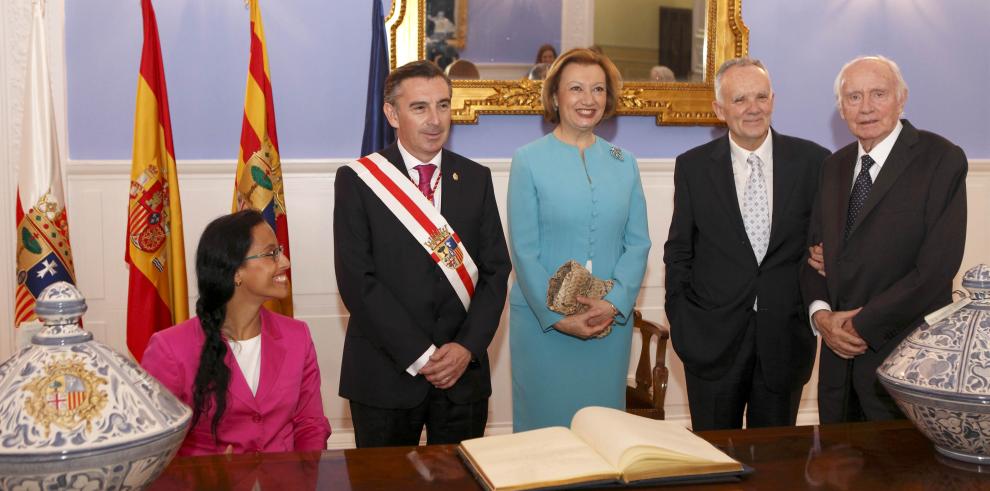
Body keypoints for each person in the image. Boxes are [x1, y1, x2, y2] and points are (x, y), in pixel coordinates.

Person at [334, 60, 511, 447]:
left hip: (462, 376)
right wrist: (420, 354)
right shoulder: (359, 181)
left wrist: (466, 347)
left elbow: (496, 272)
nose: (435, 120)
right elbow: (357, 282)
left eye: (443, 105)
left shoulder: (476, 179)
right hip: (386, 374)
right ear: (392, 114)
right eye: (420, 108)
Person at [663, 57, 830, 431]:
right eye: (739, 100)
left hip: (784, 340)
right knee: (714, 458)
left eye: (760, 97)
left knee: (776, 464)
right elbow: (679, 251)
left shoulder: (814, 162)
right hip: (711, 340)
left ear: (773, 99)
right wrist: (682, 318)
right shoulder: (693, 166)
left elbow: (823, 243)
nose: (753, 108)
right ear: (719, 109)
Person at [800, 55, 967, 423]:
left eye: (878, 93)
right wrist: (822, 316)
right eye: (854, 97)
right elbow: (813, 255)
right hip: (837, 364)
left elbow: (936, 269)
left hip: (903, 361)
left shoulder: (941, 159)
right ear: (841, 108)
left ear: (901, 98)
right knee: (838, 474)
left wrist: (861, 324)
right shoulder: (834, 166)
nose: (866, 107)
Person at [508, 48, 651, 432]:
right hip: (545, 330)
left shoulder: (626, 161)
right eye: (576, 88)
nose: (589, 100)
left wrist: (614, 303)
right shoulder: (528, 160)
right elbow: (523, 252)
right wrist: (559, 318)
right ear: (555, 96)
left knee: (604, 436)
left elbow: (638, 243)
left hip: (608, 327)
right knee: (546, 441)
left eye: (598, 89)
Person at [142, 210, 331, 456]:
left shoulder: (298, 336)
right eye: (271, 253)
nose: (285, 262)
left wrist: (305, 475)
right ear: (235, 272)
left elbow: (310, 425)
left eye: (280, 251)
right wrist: (209, 475)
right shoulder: (170, 349)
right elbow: (153, 446)